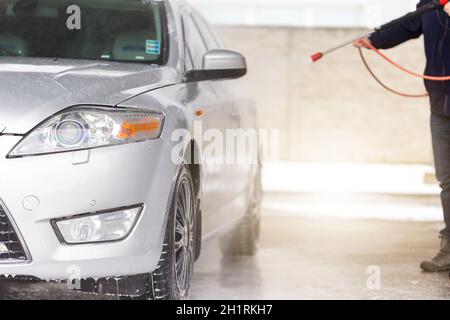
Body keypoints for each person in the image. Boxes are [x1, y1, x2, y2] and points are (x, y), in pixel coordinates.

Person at [354, 0, 450, 272]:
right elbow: (407, 24)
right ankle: (449, 249)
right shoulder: (431, 6)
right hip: (440, 108)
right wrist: (374, 39)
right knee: (447, 183)